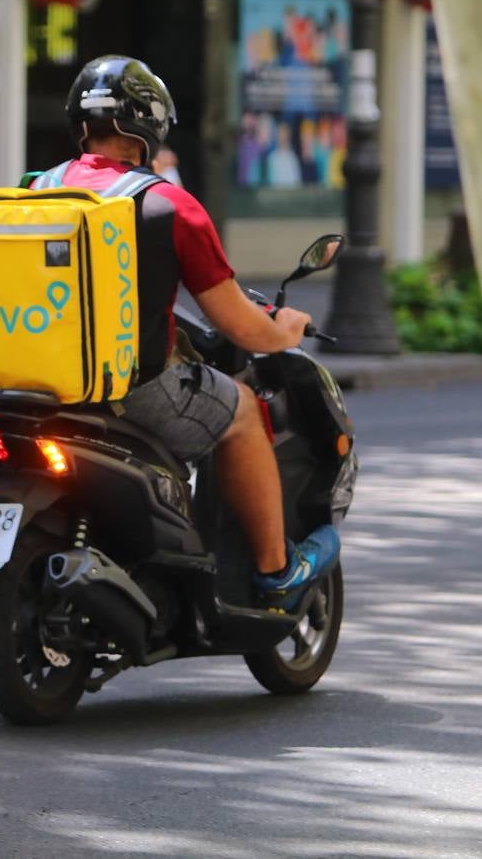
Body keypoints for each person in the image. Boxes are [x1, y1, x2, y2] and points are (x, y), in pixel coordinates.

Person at [37, 55, 338, 610]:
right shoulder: (168, 204)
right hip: (125, 389)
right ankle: (276, 568)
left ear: (81, 122)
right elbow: (240, 325)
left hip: (31, 385)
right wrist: (285, 328)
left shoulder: (36, 191)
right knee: (244, 409)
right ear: (151, 125)